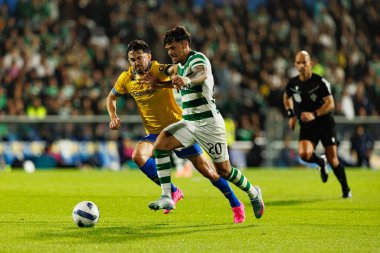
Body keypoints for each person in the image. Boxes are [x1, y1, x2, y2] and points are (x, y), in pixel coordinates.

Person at [106, 40, 245, 223]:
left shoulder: (157, 69)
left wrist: (175, 76)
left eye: (139, 58)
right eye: (132, 59)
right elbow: (111, 97)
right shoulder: (126, 78)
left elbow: (173, 69)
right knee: (138, 156)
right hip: (156, 133)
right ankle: (172, 191)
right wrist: (113, 116)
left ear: (149, 56)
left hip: (179, 129)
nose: (136, 62)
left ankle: (236, 204)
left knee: (209, 172)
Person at [147, 26, 264, 220]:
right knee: (160, 144)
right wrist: (159, 84)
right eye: (168, 49)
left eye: (173, 48)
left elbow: (200, 75)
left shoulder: (198, 59)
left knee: (224, 171)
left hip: (209, 124)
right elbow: (179, 82)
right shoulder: (179, 65)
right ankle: (167, 196)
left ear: (185, 44)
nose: (170, 52)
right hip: (189, 123)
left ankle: (253, 192)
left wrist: (186, 79)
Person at [283, 50, 352, 198]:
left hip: (324, 123)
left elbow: (331, 104)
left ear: (311, 64)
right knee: (304, 154)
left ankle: (346, 189)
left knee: (333, 160)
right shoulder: (293, 84)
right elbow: (286, 97)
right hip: (307, 125)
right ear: (295, 65)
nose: (301, 65)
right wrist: (291, 115)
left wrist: (314, 114)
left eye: (304, 62)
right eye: (298, 63)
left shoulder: (320, 82)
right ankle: (320, 162)